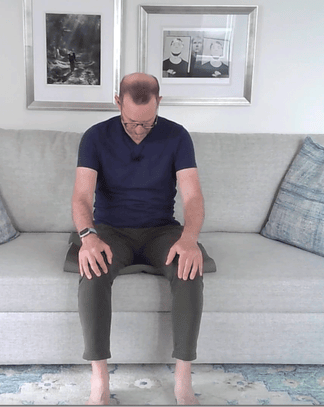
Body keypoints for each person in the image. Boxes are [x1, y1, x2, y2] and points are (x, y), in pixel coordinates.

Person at [70, 72, 212, 405]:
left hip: (161, 229)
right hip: (110, 230)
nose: (139, 130)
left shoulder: (177, 136)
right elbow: (81, 196)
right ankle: (100, 380)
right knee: (92, 272)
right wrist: (88, 237)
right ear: (118, 102)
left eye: (147, 123)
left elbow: (192, 197)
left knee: (189, 268)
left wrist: (189, 238)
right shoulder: (95, 137)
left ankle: (182, 381)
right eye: (132, 121)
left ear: (159, 103)